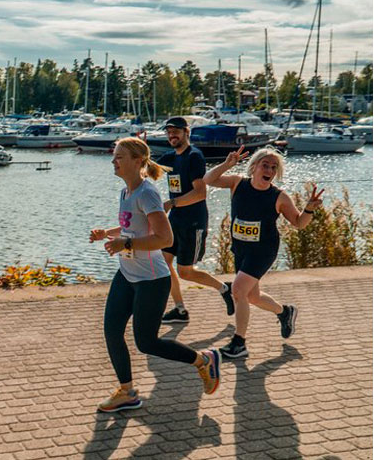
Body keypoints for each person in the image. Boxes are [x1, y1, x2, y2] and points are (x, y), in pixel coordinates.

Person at [90, 137, 221, 413]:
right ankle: (126, 392)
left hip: (152, 280)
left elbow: (164, 237)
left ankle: (203, 360)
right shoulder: (127, 192)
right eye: (114, 157)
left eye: (119, 157)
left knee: (146, 342)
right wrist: (109, 233)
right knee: (112, 330)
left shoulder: (147, 193)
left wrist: (125, 244)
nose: (114, 161)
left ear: (138, 162)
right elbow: (134, 227)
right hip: (127, 274)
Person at [204, 145, 323, 358]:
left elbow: (299, 223)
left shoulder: (279, 197)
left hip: (263, 250)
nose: (268, 170)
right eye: (264, 165)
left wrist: (310, 209)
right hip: (240, 248)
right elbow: (208, 180)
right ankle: (284, 312)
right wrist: (227, 164)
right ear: (254, 167)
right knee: (252, 297)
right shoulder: (236, 183)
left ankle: (239, 343)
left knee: (238, 291)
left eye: (273, 167)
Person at [155, 117, 234, 324]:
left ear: (186, 132)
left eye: (176, 131)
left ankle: (225, 288)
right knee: (163, 263)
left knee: (186, 272)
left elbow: (200, 193)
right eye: (169, 132)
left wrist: (171, 203)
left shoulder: (194, 157)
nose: (172, 135)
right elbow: (147, 167)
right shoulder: (170, 158)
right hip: (174, 221)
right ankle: (180, 310)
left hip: (193, 222)